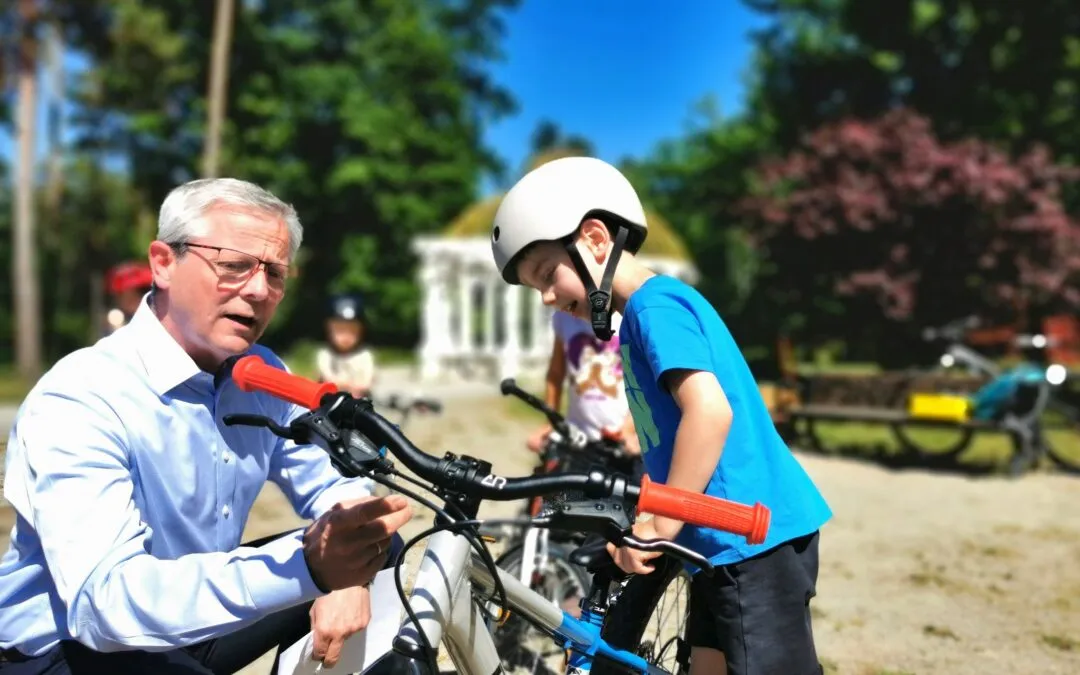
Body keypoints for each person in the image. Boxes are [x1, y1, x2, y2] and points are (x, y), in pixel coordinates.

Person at [0, 178, 413, 675]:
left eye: (275, 274)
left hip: (193, 622)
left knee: (375, 542)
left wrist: (347, 576)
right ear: (163, 263)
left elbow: (333, 485)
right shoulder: (81, 396)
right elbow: (102, 604)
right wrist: (312, 569)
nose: (259, 290)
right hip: (70, 648)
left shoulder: (261, 371)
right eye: (234, 265)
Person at [489, 157, 833, 675]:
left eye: (545, 275)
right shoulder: (635, 324)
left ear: (595, 239)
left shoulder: (656, 308)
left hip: (753, 539)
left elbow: (709, 413)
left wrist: (659, 521)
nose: (546, 298)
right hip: (718, 544)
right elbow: (667, 438)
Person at [527, 309, 640, 458]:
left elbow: (646, 385)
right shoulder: (563, 317)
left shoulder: (631, 317)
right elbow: (555, 375)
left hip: (621, 439)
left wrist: (631, 428)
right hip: (577, 437)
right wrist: (550, 421)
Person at [316, 293, 376, 398]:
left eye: (352, 331)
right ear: (329, 330)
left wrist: (345, 385)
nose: (346, 337)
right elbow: (327, 379)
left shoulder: (365, 356)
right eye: (340, 331)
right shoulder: (326, 355)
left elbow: (366, 383)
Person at [103, 261, 154, 335]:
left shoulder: (154, 316)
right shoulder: (117, 319)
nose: (128, 301)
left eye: (133, 295)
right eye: (122, 296)